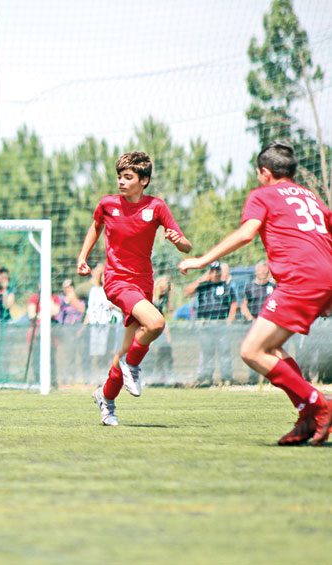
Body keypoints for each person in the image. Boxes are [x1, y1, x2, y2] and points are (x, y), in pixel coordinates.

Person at [178, 140, 332, 446]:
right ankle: (306, 416)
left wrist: (202, 260)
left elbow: (247, 233)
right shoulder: (312, 197)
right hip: (323, 273)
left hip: (300, 278)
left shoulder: (263, 194)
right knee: (271, 350)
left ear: (265, 172)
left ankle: (319, 404)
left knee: (251, 351)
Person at [77, 151, 192, 426]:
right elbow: (96, 227)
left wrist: (177, 241)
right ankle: (133, 365)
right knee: (156, 323)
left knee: (126, 348)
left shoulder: (157, 207)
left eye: (128, 177)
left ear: (144, 181)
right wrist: (83, 257)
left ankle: (106, 398)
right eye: (119, 176)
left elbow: (186, 245)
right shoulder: (107, 204)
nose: (121, 181)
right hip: (117, 281)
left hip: (143, 284)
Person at [182, 260, 237, 385]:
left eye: (217, 271)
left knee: (225, 352)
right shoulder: (203, 286)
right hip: (206, 325)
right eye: (213, 271)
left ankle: (226, 378)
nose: (216, 274)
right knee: (207, 353)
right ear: (209, 272)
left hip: (221, 324)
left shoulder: (226, 287)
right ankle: (207, 378)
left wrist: (229, 320)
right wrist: (202, 279)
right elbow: (187, 292)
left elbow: (234, 304)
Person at [151, 275, 174, 382]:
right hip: (151, 326)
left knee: (165, 351)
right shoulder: (151, 298)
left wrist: (170, 296)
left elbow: (170, 311)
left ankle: (164, 375)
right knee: (153, 353)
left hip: (161, 327)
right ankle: (153, 376)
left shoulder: (164, 299)